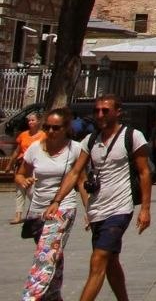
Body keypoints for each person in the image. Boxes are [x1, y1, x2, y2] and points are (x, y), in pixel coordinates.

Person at [44, 94, 151, 301]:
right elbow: (75, 172)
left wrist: (145, 209)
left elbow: (144, 172)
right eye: (97, 110)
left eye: (105, 110)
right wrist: (57, 200)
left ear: (117, 112)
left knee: (98, 260)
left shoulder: (132, 136)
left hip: (120, 209)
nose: (100, 114)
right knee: (110, 261)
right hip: (96, 209)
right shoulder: (90, 140)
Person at [16, 107, 85, 301]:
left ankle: (31, 297)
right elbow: (21, 173)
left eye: (56, 128)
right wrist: (23, 181)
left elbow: (81, 181)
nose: (51, 132)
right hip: (38, 209)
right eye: (47, 127)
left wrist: (90, 212)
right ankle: (54, 297)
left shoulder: (76, 149)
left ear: (66, 128)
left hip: (63, 207)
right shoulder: (35, 148)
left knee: (46, 253)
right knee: (53, 254)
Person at [9, 111, 44, 225]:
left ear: (38, 121)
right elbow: (17, 151)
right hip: (21, 165)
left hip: (35, 167)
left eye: (33, 120)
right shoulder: (23, 135)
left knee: (31, 190)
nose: (30, 122)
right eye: (29, 120)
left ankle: (38, 212)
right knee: (19, 190)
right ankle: (18, 215)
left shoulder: (44, 135)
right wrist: (10, 164)